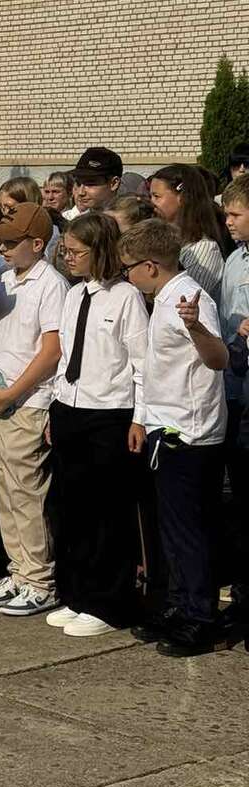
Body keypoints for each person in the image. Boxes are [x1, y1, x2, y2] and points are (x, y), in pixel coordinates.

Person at [120, 219, 228, 656]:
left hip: (190, 432)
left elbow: (218, 358)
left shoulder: (191, 299)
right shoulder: (162, 300)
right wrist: (143, 418)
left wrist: (197, 327)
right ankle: (179, 606)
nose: (126, 275)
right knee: (172, 528)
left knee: (189, 531)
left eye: (129, 267)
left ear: (150, 266)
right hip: (165, 427)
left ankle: (200, 618)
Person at [47, 214, 149, 636]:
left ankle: (108, 602)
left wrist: (139, 418)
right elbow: (65, 354)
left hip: (109, 414)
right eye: (65, 250)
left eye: (76, 252)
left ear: (100, 250)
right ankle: (77, 593)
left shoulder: (126, 298)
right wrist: (56, 405)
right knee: (70, 508)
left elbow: (141, 364)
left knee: (106, 511)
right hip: (70, 408)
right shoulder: (74, 295)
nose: (68, 258)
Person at [0, 202, 67, 617]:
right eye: (0, 241)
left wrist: (13, 393)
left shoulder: (51, 284)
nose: (3, 248)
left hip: (27, 402)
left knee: (28, 494)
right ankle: (20, 569)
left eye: (11, 242)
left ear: (38, 244)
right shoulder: (5, 278)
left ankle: (40, 580)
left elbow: (51, 350)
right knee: (6, 490)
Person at [217, 174, 249, 634]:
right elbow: (226, 319)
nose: (227, 222)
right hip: (236, 384)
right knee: (240, 494)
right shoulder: (235, 260)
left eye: (236, 214)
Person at [149, 164, 226, 298]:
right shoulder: (165, 239)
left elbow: (185, 299)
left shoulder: (204, 249)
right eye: (150, 196)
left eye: (157, 196)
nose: (151, 202)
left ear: (182, 197)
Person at [65, 148, 123, 219]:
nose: (81, 192)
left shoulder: (129, 222)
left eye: (90, 183)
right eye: (78, 183)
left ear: (114, 183)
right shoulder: (73, 221)